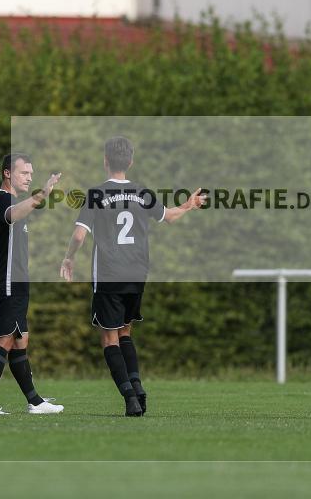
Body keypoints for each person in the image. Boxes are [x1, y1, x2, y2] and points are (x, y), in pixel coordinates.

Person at [59, 136, 206, 416]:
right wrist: (189, 205)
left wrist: (69, 257)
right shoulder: (143, 193)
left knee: (108, 338)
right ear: (131, 162)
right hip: (137, 273)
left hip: (109, 273)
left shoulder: (96, 195)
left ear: (105, 161)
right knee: (125, 331)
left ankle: (129, 397)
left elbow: (79, 234)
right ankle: (137, 386)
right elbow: (170, 217)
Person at [0, 154, 64, 415]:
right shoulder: (3, 201)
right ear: (7, 173)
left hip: (7, 282)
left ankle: (35, 402)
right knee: (4, 338)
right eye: (24, 173)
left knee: (21, 340)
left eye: (32, 173)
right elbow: (12, 215)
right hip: (7, 281)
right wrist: (41, 195)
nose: (29, 177)